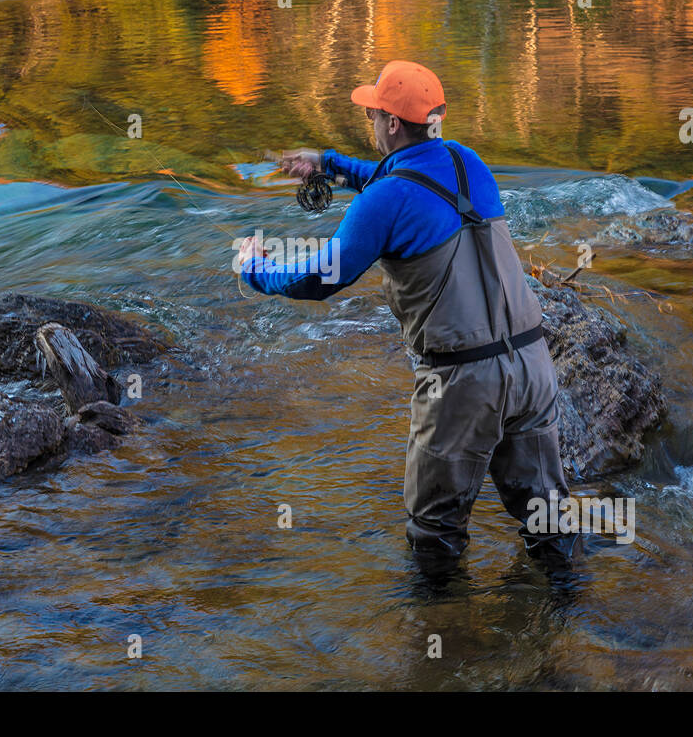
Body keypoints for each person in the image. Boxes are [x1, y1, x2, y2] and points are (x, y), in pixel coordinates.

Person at [238, 59, 578, 570]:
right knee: (547, 518)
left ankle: (440, 635)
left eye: (374, 114)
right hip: (532, 362)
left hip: (462, 382)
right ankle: (571, 616)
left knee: (433, 531)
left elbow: (320, 278)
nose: (370, 122)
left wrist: (256, 269)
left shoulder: (382, 200)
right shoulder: (469, 164)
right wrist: (328, 163)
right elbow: (407, 178)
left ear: (392, 123)